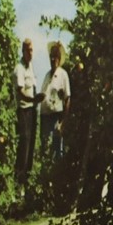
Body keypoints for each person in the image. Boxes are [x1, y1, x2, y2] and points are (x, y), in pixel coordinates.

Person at [39, 40, 71, 168]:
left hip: (55, 117)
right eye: (51, 56)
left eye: (55, 56)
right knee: (45, 148)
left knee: (57, 149)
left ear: (59, 58)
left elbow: (68, 99)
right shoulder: (47, 75)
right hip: (44, 117)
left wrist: (62, 122)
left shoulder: (63, 75)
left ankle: (56, 178)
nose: (53, 59)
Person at [13, 37, 40, 188]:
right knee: (24, 144)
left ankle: (27, 182)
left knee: (31, 146)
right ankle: (19, 182)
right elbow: (21, 91)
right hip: (24, 110)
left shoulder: (31, 67)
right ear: (22, 51)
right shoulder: (20, 68)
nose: (30, 53)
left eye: (31, 50)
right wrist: (32, 99)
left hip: (32, 110)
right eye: (28, 50)